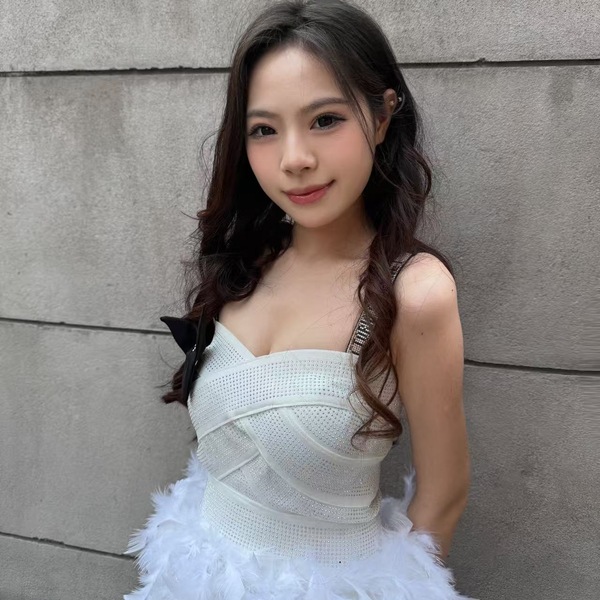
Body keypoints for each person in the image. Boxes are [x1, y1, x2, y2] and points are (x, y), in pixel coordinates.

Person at [124, 0, 474, 598]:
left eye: (325, 120)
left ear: (382, 116)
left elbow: (443, 495)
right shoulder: (246, 261)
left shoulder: (414, 292)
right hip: (196, 572)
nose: (294, 160)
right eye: (264, 130)